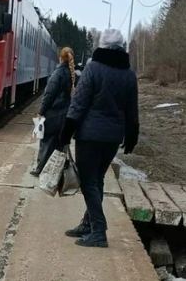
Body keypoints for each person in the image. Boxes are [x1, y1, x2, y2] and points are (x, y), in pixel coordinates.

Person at [59, 28, 140, 248]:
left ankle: (99, 231)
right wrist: (132, 135)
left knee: (88, 183)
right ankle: (88, 224)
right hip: (113, 137)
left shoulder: (93, 69)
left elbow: (79, 104)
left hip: (90, 135)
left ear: (102, 45)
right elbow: (132, 110)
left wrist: (65, 134)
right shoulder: (129, 74)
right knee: (98, 179)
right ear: (121, 46)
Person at [31, 47, 76, 176]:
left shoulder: (58, 73)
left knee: (46, 142)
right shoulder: (71, 73)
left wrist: (41, 111)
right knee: (58, 144)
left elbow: (49, 95)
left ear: (60, 58)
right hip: (65, 114)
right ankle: (54, 170)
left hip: (53, 113)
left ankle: (40, 169)